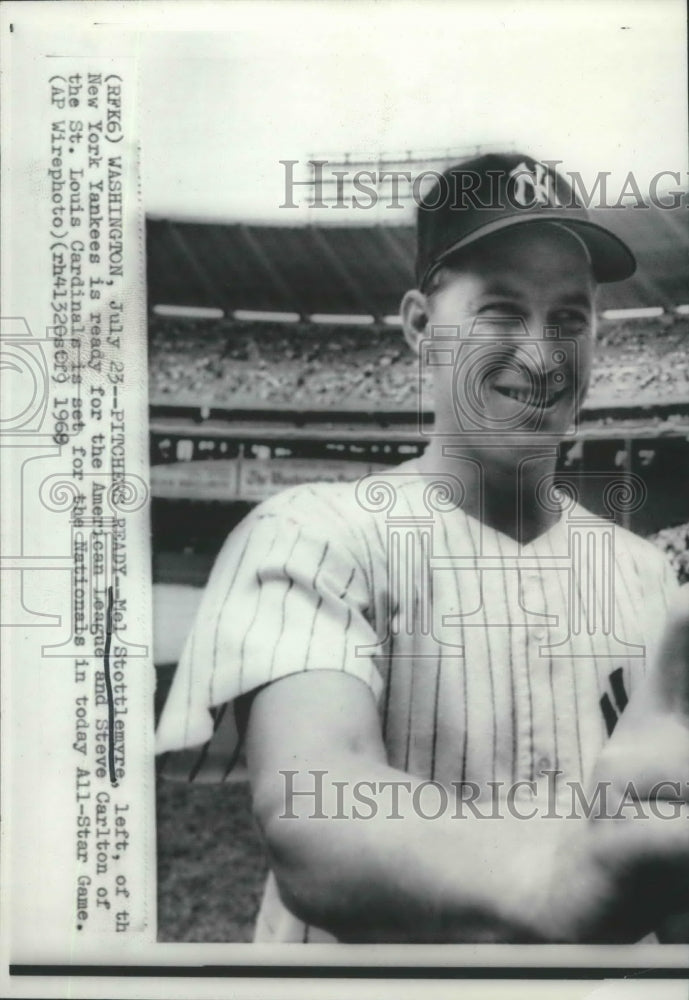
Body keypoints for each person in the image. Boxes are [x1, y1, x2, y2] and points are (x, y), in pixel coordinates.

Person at [156, 153, 689, 943]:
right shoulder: (311, 532)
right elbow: (313, 801)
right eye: (501, 311)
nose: (541, 356)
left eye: (569, 319)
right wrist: (553, 874)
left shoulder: (647, 578)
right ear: (417, 326)